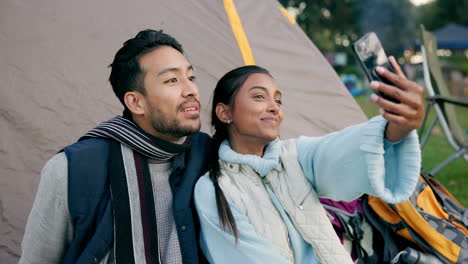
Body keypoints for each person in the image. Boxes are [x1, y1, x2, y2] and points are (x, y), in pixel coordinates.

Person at [194, 60, 424, 263]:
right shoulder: (214, 190)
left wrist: (398, 126)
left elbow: (343, 150)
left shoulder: (294, 157)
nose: (274, 107)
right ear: (225, 113)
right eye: (259, 96)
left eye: (278, 100)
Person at [19, 29, 210, 264]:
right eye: (171, 80)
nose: (191, 90)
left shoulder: (208, 156)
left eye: (190, 77)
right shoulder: (73, 169)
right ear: (136, 102)